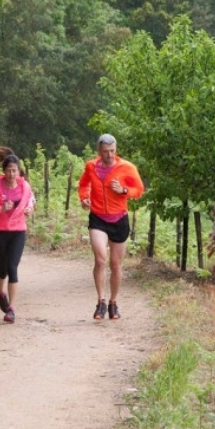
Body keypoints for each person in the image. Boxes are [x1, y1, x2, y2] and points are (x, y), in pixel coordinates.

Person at [78, 134, 144, 321]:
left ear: (116, 149)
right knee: (100, 259)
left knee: (115, 265)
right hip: (98, 217)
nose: (109, 155)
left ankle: (114, 303)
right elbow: (83, 185)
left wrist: (123, 190)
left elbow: (139, 190)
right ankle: (101, 301)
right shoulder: (91, 166)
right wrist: (84, 198)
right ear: (99, 151)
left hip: (119, 219)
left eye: (113, 151)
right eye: (106, 152)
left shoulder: (127, 167)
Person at [0, 146, 35, 324]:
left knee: (12, 268)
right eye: (9, 170)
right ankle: (0, 292)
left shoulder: (24, 186)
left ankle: (11, 309)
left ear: (19, 171)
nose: (12, 174)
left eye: (15, 170)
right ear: (4, 171)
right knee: (3, 268)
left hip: (18, 231)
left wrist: (29, 208)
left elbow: (31, 199)